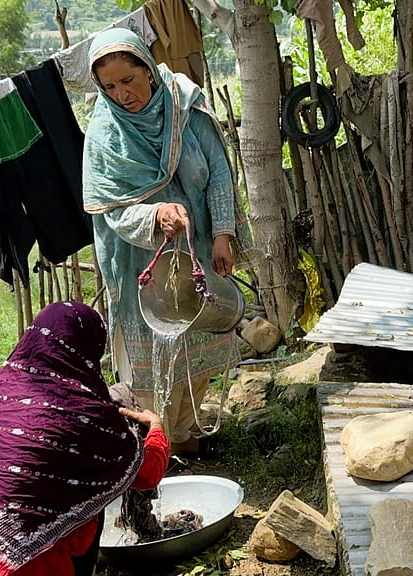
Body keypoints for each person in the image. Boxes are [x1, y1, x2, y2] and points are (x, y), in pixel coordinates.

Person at [81, 28, 253, 457]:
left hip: (198, 247)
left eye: (128, 80)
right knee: (154, 356)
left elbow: (217, 173)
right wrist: (154, 215)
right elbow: (111, 211)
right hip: (141, 257)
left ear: (148, 69)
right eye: (110, 87)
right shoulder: (105, 134)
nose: (122, 94)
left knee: (199, 341)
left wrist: (222, 235)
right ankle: (158, 445)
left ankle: (187, 432)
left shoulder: (185, 106)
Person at [0, 301, 169, 576]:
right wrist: (156, 428)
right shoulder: (85, 416)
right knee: (93, 505)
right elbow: (147, 474)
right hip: (28, 563)